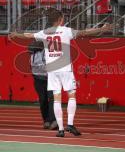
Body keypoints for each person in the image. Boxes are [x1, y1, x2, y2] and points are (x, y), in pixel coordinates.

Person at [10, 9, 112, 137]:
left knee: (56, 98)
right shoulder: (66, 30)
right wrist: (101, 29)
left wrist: (15, 34)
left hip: (52, 70)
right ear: (60, 20)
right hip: (65, 68)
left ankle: (61, 129)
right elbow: (85, 32)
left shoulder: (44, 33)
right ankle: (70, 124)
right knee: (71, 95)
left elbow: (28, 35)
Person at [28, 40, 57, 130]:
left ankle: (54, 120)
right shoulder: (32, 55)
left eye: (35, 45)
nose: (31, 48)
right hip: (38, 79)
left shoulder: (49, 52)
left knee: (52, 99)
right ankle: (46, 120)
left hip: (50, 78)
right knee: (43, 100)